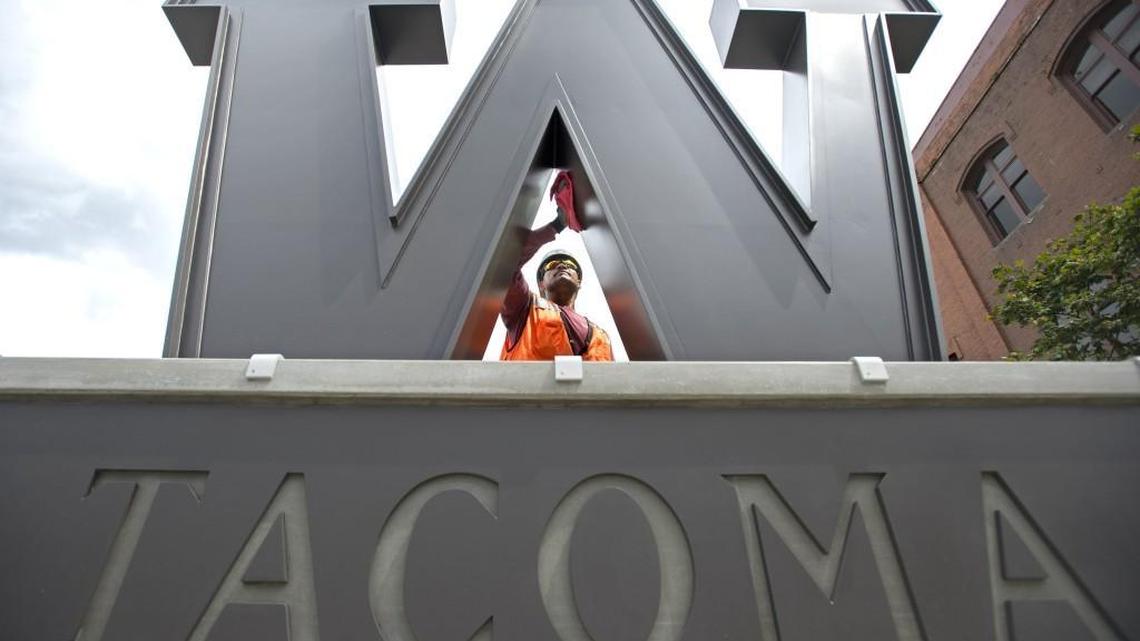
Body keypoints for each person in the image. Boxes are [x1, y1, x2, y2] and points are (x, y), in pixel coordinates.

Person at [499, 171, 614, 361]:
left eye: (570, 265)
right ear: (541, 284)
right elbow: (504, 264)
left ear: (579, 282)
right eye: (552, 264)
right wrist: (557, 225)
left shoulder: (601, 337)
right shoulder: (523, 309)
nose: (562, 265)